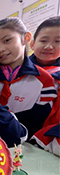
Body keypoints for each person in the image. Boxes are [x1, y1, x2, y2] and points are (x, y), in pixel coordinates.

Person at [0, 17, 56, 139]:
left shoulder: (44, 80)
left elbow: (40, 120)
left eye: (7, 40)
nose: (1, 49)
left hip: (23, 144)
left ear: (26, 38)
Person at [29, 16, 60, 156]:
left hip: (47, 140)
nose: (49, 46)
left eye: (58, 41)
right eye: (43, 40)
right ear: (32, 43)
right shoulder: (18, 69)